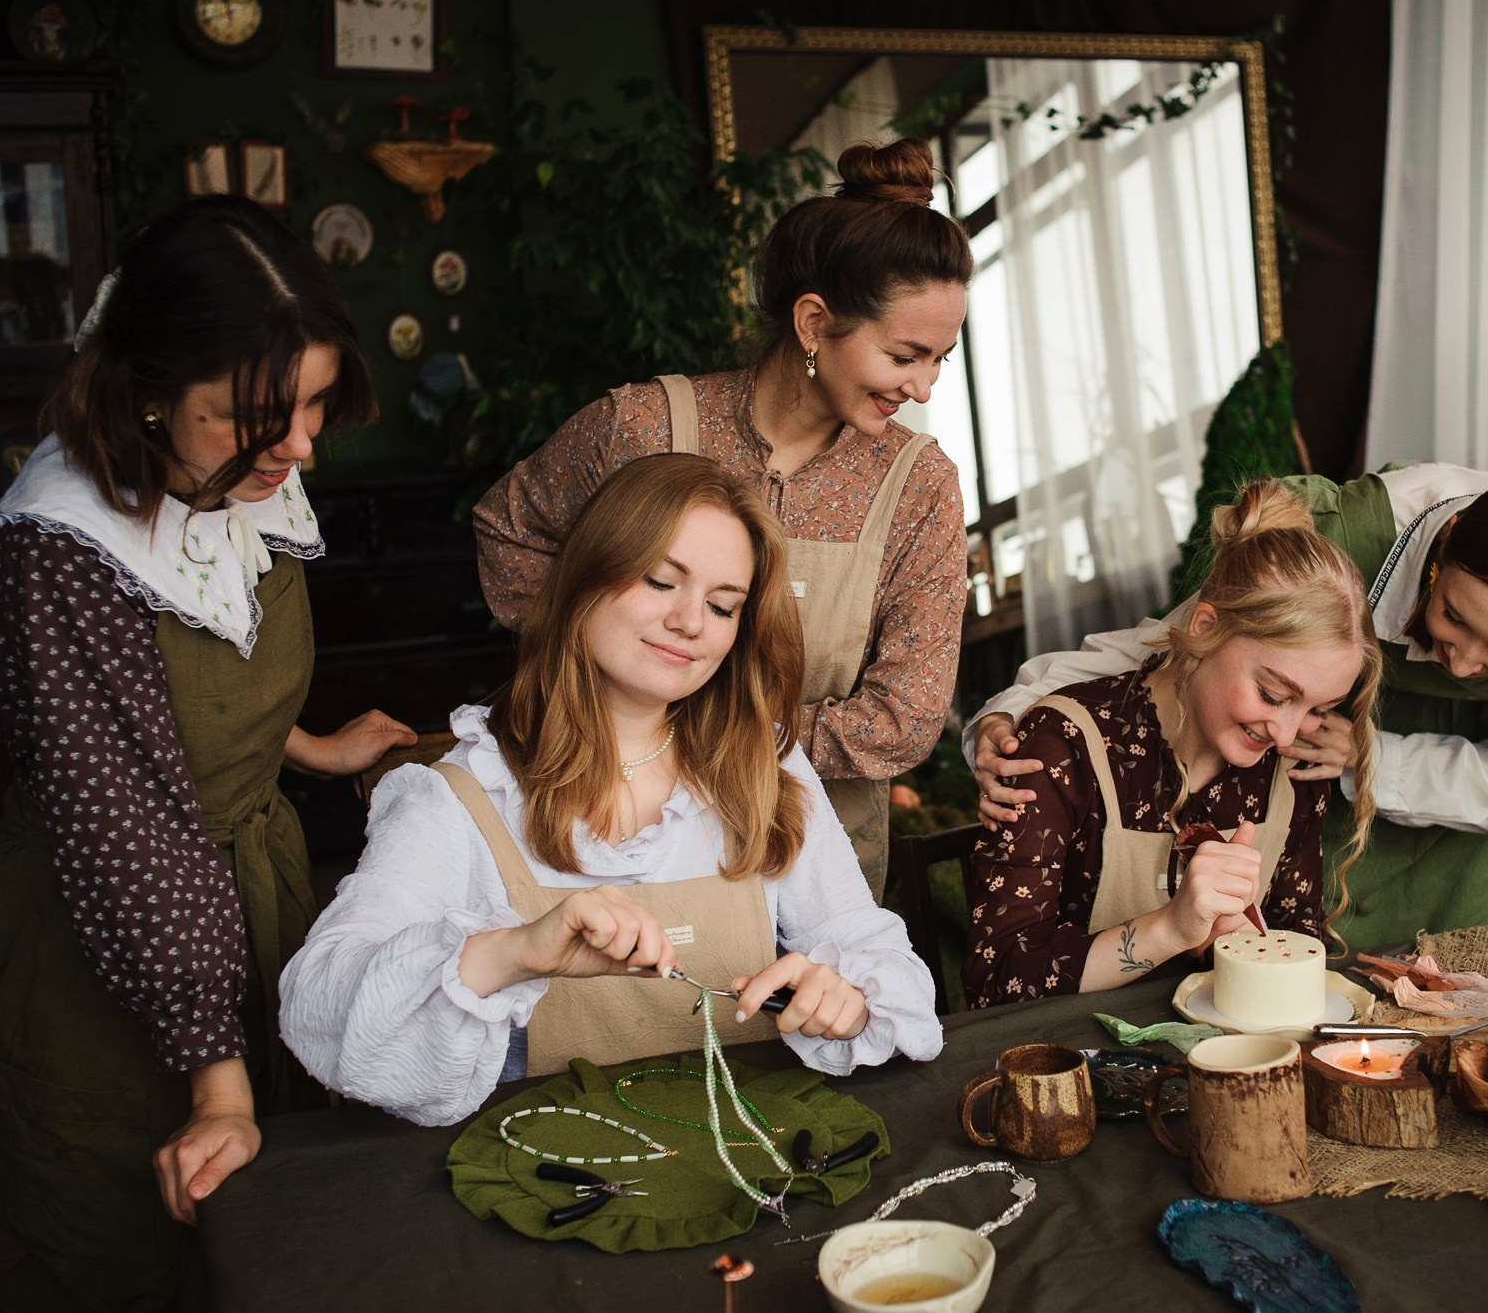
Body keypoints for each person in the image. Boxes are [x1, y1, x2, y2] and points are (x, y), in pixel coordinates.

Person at [0, 194, 418, 1310]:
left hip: (251, 888)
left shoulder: (242, 461)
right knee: (138, 1234)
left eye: (312, 403)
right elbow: (129, 827)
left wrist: (300, 748)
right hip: (109, 933)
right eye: (259, 415)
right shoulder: (60, 551)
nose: (301, 442)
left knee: (281, 1231)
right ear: (148, 392)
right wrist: (216, 1081)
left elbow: (212, 673)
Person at [282, 454, 942, 1128]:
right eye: (661, 581)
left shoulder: (767, 766)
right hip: (551, 1189)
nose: (691, 621)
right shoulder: (462, 795)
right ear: (586, 577)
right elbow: (322, 1011)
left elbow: (883, 962)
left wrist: (850, 1001)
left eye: (722, 605)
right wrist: (514, 951)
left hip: (757, 1164)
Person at [473, 137, 974, 899]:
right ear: (813, 322)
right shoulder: (643, 425)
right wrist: (595, 665)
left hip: (813, 852)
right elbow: (507, 529)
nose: (925, 386)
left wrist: (712, 726)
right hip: (612, 826)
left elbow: (905, 717)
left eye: (942, 357)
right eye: (907, 355)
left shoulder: (920, 488)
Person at [969, 464, 1488, 954]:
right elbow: (1162, 646)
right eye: (1452, 618)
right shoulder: (1336, 539)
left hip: (1457, 827)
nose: (1463, 663)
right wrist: (1013, 710)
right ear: (1441, 554)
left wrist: (1375, 758)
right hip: (1309, 809)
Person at [963, 481, 1382, 1008]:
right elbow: (995, 983)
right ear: (1205, 626)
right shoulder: (1061, 747)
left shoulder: (1293, 765)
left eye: (1318, 709)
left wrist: (1238, 940)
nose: (1286, 733)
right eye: (1273, 694)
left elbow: (1294, 953)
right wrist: (1169, 930)